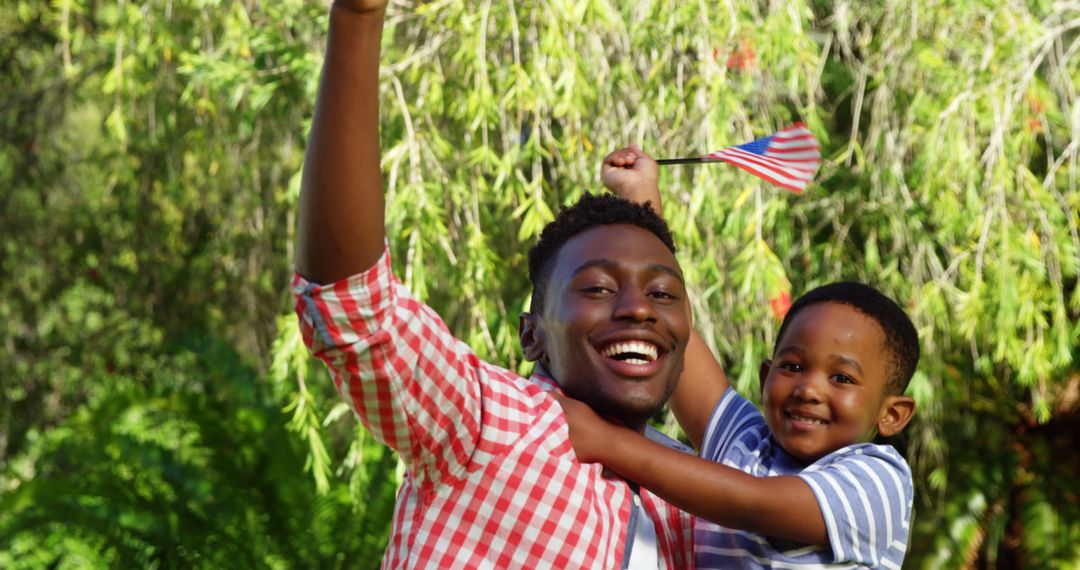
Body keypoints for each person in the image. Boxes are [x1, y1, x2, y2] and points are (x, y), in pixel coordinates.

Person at [291, 1, 697, 567]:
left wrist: (640, 207)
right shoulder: (487, 425)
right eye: (599, 289)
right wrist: (358, 18)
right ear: (531, 337)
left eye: (661, 295)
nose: (640, 311)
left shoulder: (689, 501)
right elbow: (355, 308)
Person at [556, 146, 920, 568]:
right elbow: (676, 336)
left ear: (892, 414)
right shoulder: (747, 446)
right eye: (793, 366)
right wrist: (640, 197)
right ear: (766, 377)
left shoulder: (878, 480)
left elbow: (752, 504)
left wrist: (606, 443)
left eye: (841, 378)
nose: (808, 388)